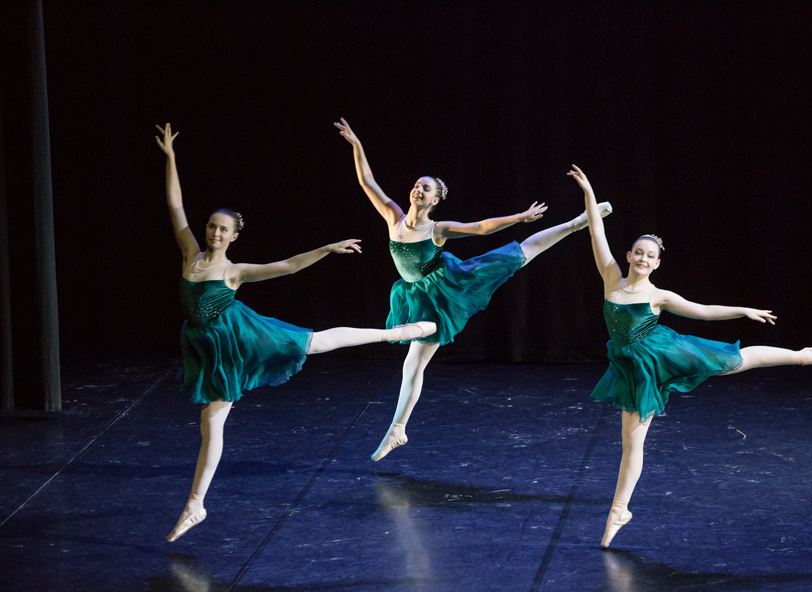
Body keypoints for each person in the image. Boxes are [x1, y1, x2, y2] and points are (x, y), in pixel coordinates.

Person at [155, 123, 436, 542]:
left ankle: (392, 334)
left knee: (316, 341)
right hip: (203, 345)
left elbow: (286, 266)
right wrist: (171, 158)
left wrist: (325, 249)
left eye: (222, 229)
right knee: (210, 424)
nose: (214, 233)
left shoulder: (234, 271)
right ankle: (196, 506)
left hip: (238, 337)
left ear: (234, 236)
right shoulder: (189, 254)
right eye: (211, 226)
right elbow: (175, 206)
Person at [567, 164, 812, 548]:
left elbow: (704, 309)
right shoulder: (611, 276)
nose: (644, 260)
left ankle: (801, 356)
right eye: (639, 253)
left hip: (664, 352)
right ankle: (619, 510)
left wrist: (741, 311)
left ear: (657, 264)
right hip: (632, 368)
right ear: (629, 255)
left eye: (651, 257)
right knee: (632, 442)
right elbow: (596, 230)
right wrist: (589, 192)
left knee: (734, 361)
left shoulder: (659, 296)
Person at [334, 119, 612, 461]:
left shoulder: (437, 230)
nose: (418, 190)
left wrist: (519, 217)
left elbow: (480, 228)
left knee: (517, 255)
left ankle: (576, 223)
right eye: (417, 185)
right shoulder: (393, 216)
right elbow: (368, 181)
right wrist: (356, 144)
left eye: (426, 189)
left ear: (434, 201)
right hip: (413, 295)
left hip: (446, 290)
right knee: (413, 365)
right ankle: (398, 430)